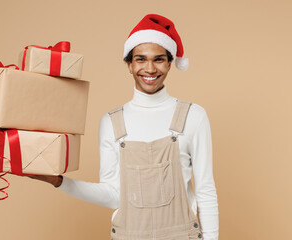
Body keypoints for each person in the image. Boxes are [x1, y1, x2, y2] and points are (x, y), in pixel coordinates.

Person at [27, 14, 219, 240]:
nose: (149, 68)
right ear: (129, 64)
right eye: (140, 59)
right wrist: (59, 182)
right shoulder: (111, 122)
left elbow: (205, 190)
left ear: (169, 63)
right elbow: (113, 195)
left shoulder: (193, 116)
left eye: (158, 59)